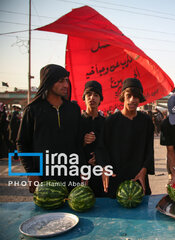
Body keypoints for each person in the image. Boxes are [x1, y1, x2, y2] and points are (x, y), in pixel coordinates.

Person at [17, 64, 83, 192]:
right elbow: (22, 143)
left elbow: (77, 143)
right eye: (60, 81)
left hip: (71, 176)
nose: (66, 85)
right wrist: (31, 173)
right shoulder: (33, 110)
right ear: (48, 82)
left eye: (66, 80)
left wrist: (82, 168)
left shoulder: (74, 109)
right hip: (44, 178)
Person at [97, 78, 154, 198]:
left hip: (138, 178)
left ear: (140, 99)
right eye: (129, 96)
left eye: (136, 96)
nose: (132, 100)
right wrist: (105, 167)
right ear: (123, 97)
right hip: (115, 178)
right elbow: (101, 147)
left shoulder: (146, 121)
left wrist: (144, 170)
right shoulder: (111, 121)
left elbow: (149, 149)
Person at [80, 81, 106, 197]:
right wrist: (83, 142)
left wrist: (99, 158)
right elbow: (69, 147)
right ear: (84, 98)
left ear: (100, 99)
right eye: (88, 94)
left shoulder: (106, 123)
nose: (92, 98)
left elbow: (110, 147)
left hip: (101, 175)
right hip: (81, 175)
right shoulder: (77, 122)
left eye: (96, 95)